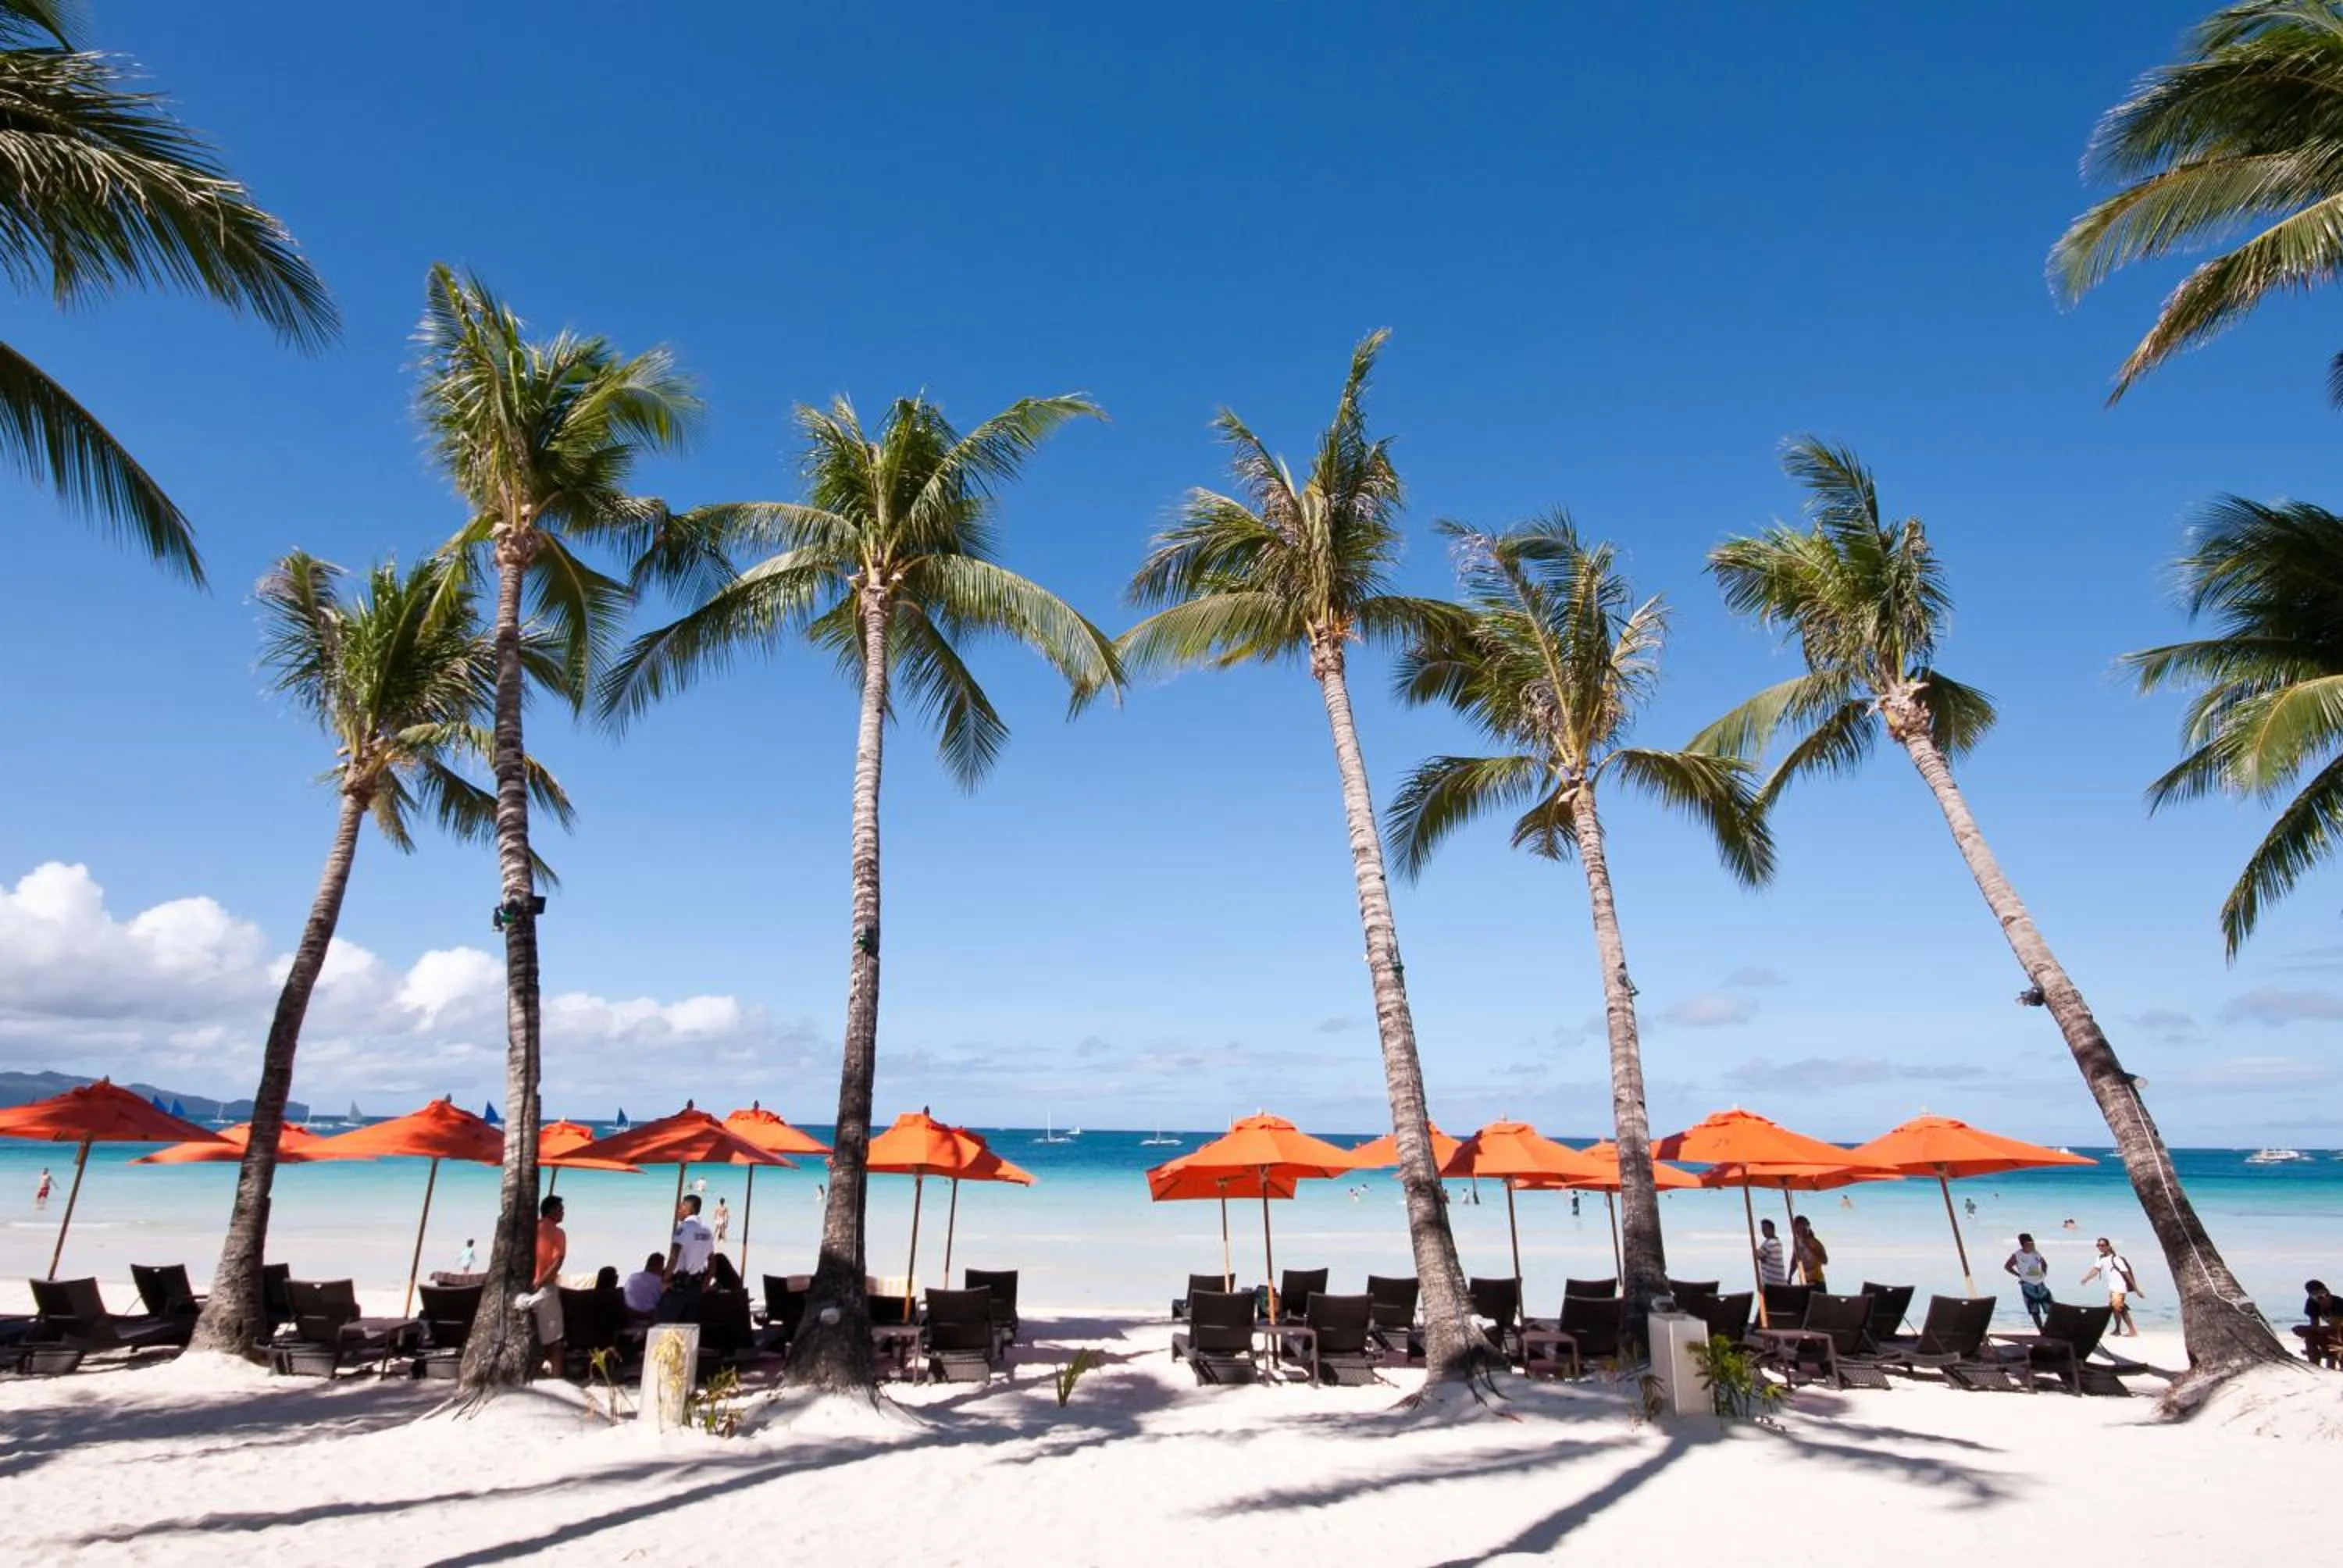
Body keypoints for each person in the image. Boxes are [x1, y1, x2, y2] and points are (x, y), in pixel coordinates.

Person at [517, 1194, 567, 1375]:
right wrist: (540, 1282)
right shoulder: (557, 1233)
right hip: (545, 1289)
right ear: (551, 1211)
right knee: (555, 1341)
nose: (563, 1213)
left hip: (523, 1290)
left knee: (536, 1336)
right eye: (560, 1209)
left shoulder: (532, 1229)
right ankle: (557, 1379)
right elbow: (557, 1262)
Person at [662, 1193, 716, 1320]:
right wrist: (707, 1281)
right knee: (688, 1328)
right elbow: (712, 1261)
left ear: (688, 1209)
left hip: (680, 1286)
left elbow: (674, 1257)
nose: (678, 1210)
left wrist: (665, 1281)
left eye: (681, 1206)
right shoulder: (707, 1231)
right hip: (697, 1287)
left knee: (665, 1327)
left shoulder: (684, 1228)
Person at [2080, 1236, 2140, 1335]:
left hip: (2120, 1287)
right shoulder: (2100, 1258)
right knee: (2117, 1308)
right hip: (2112, 1287)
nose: (2100, 1247)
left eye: (2102, 1245)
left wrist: (2136, 1289)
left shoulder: (2116, 1258)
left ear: (2108, 1246)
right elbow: (2096, 1269)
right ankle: (2118, 1330)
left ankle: (2131, 1331)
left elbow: (2126, 1273)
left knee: (2118, 1307)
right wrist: (2086, 1279)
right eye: (2098, 1245)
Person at [2004, 1232, 2053, 1327]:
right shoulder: (2017, 1255)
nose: (2032, 1245)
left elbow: (2044, 1264)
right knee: (2034, 1310)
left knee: (2051, 1307)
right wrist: (2018, 1275)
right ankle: (2041, 1330)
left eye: (2033, 1243)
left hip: (2040, 1283)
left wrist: (2044, 1274)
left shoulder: (2036, 1253)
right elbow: (2007, 1266)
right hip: (2027, 1285)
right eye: (2029, 1244)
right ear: (2023, 1244)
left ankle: (2050, 1327)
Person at [2293, 1279, 2341, 1364]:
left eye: (2327, 1295)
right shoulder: (2312, 1304)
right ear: (2312, 1297)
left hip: (2339, 1332)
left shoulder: (2339, 1304)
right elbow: (2315, 1324)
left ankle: (2329, 1357)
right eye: (2320, 1297)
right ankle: (2314, 1365)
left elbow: (2336, 1327)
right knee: (2310, 1337)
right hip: (2333, 1333)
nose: (2325, 1299)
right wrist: (2311, 1330)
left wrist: (2313, 1329)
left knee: (2330, 1335)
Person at [622, 1253, 665, 1323]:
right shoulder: (659, 1281)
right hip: (649, 1318)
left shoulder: (632, 1277)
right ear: (659, 1266)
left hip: (629, 1317)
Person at [1790, 1215, 1828, 1291]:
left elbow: (1824, 1260)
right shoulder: (1796, 1242)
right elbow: (1794, 1260)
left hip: (1817, 1281)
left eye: (1803, 1227)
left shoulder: (1815, 1242)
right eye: (1797, 1227)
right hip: (1804, 1281)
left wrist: (1807, 1244)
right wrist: (1790, 1277)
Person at [1755, 1217, 1788, 1288]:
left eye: (1766, 1229)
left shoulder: (1771, 1243)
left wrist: (1755, 1250)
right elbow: (1763, 1258)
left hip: (1773, 1284)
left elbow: (1759, 1255)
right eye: (1763, 1229)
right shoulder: (1777, 1242)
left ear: (1772, 1229)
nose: (1763, 1231)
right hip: (1779, 1283)